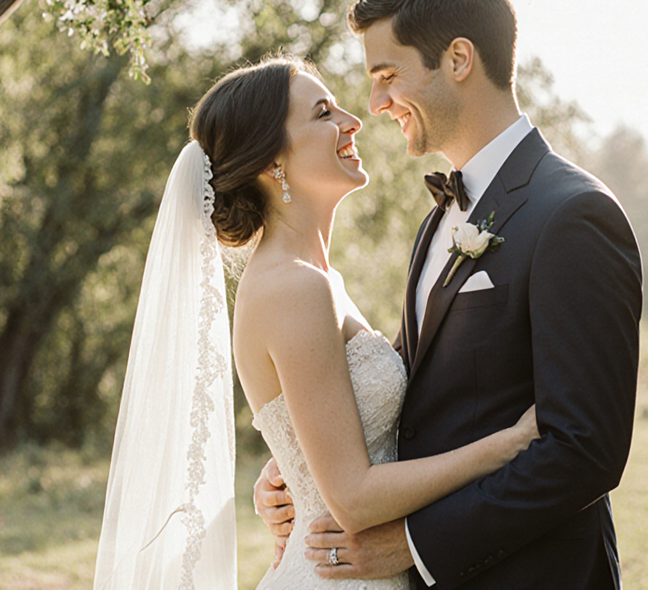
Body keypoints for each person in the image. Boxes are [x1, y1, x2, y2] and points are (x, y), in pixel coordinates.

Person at [253, 0, 643, 589]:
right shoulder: (438, 220)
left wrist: (414, 543)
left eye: (388, 76)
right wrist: (298, 470)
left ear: (458, 59)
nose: (375, 105)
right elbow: (418, 390)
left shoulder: (574, 215)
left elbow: (585, 450)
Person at [92, 55, 539, 590]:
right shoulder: (293, 287)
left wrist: (287, 470)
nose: (353, 120)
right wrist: (508, 446)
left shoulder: (317, 278)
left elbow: (331, 438)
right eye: (324, 112)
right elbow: (352, 497)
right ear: (270, 160)